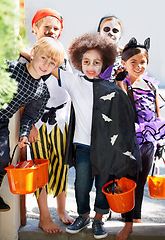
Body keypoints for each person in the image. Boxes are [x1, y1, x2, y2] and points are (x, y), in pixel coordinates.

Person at [50, 32, 140, 240]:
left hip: (105, 149)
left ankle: (99, 218)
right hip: (82, 146)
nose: (91, 66)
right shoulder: (73, 82)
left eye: (97, 62)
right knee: (81, 185)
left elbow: (124, 119)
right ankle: (83, 216)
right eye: (86, 61)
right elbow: (49, 66)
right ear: (79, 62)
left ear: (104, 64)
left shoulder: (112, 88)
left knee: (103, 185)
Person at [0, 36, 65, 218]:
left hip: (1, 121)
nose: (46, 65)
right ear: (33, 53)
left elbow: (29, 116)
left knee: (4, 159)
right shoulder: (11, 68)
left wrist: (24, 134)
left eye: (52, 63)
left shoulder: (41, 91)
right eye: (43, 57)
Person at [19, 8, 74, 233]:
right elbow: (21, 94)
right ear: (35, 29)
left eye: (55, 28)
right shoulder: (27, 56)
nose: (51, 31)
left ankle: (61, 210)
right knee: (41, 168)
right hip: (38, 123)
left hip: (60, 121)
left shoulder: (63, 57)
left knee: (61, 167)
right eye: (46, 27)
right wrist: (28, 124)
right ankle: (44, 215)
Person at [121, 37, 165, 223]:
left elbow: (157, 112)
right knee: (129, 178)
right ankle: (128, 215)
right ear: (124, 64)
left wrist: (160, 141)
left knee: (142, 178)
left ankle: (135, 216)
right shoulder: (123, 83)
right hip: (129, 138)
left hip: (149, 139)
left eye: (142, 62)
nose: (139, 66)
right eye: (133, 62)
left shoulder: (151, 85)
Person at [97, 15, 125, 89]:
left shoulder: (125, 55)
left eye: (115, 31)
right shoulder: (91, 54)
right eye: (106, 29)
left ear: (120, 35)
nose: (110, 33)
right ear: (99, 33)